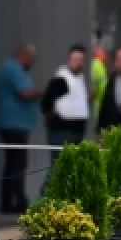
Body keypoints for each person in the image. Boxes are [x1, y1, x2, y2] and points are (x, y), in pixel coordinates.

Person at [0, 43, 41, 214]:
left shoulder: (11, 69)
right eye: (32, 59)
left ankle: (11, 200)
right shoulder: (13, 69)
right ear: (24, 55)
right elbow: (25, 93)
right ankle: (16, 200)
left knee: (13, 163)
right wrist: (43, 93)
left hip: (14, 124)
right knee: (17, 164)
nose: (32, 63)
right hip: (14, 125)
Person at [41, 44, 91, 190]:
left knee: (69, 167)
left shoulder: (78, 78)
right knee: (58, 166)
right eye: (75, 59)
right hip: (62, 130)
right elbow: (46, 103)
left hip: (76, 130)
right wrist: (53, 119)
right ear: (68, 59)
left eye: (81, 60)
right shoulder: (61, 79)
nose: (78, 63)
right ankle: (42, 199)